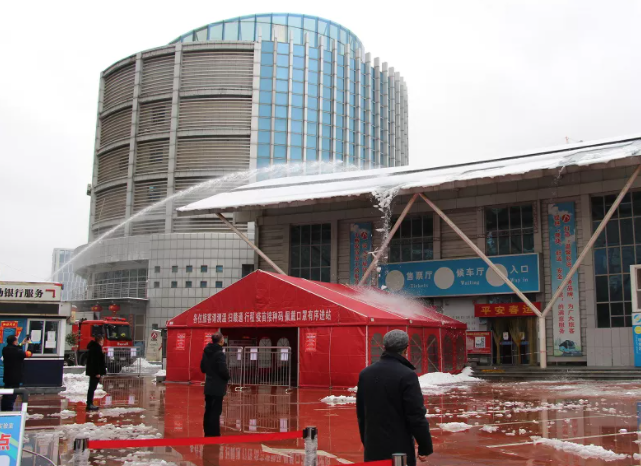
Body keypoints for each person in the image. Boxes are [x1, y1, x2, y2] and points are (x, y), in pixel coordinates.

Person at [356, 330, 433, 466]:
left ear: (384, 347)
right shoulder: (407, 375)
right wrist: (425, 447)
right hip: (399, 450)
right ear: (406, 349)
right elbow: (415, 415)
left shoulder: (365, 374)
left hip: (373, 447)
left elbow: (361, 413)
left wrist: (366, 441)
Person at [200, 332, 230, 437]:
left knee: (208, 409)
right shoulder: (219, 353)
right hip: (218, 386)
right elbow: (223, 369)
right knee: (216, 411)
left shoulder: (206, 352)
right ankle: (215, 434)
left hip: (208, 385)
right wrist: (227, 377)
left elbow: (202, 368)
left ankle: (207, 431)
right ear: (221, 341)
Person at [1, 335, 30, 411]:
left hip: (7, 376)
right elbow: (27, 354)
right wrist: (29, 344)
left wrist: (21, 344)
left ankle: (4, 408)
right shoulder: (17, 351)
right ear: (14, 342)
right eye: (16, 340)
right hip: (15, 376)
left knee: (6, 394)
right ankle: (8, 410)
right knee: (12, 394)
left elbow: (15, 349)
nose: (17, 341)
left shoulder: (5, 349)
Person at [85, 335, 106, 411]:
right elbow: (95, 362)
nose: (103, 342)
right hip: (94, 372)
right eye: (102, 340)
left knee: (92, 387)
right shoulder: (96, 348)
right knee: (92, 388)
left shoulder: (94, 348)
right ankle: (89, 404)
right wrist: (97, 372)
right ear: (100, 340)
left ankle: (90, 403)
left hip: (93, 371)